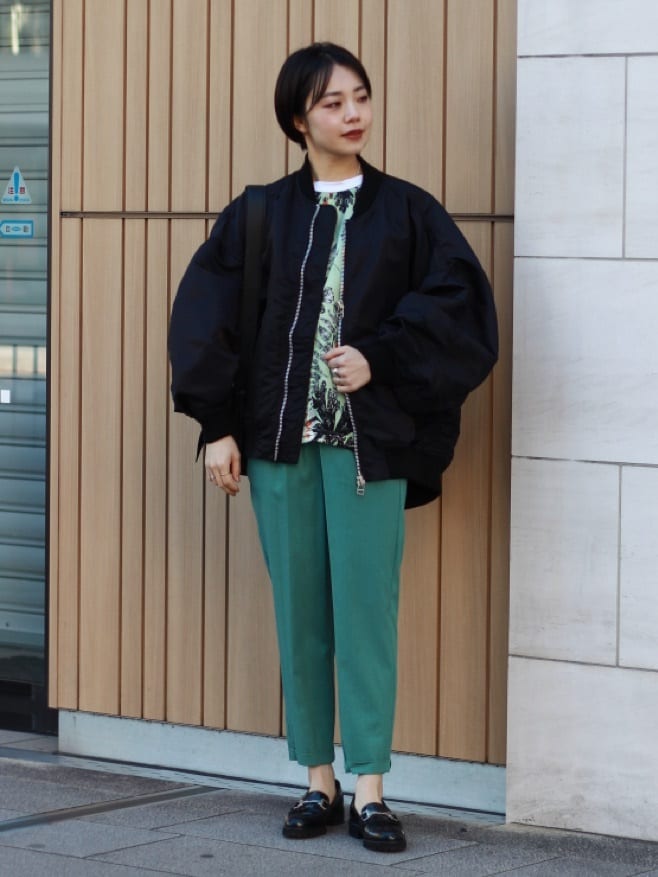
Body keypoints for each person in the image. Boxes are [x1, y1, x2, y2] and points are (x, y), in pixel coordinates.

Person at [168, 42, 497, 853]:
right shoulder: (258, 213)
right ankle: (318, 781)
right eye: (332, 102)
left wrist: (380, 355)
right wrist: (217, 425)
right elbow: (206, 317)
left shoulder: (409, 213)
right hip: (279, 451)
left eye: (361, 97)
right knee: (302, 616)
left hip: (365, 455)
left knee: (366, 617)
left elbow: (460, 308)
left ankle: (372, 789)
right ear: (297, 119)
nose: (354, 114)